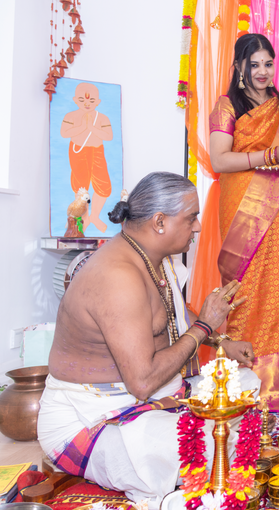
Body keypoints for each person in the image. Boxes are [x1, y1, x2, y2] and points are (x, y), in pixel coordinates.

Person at [38, 172, 260, 504]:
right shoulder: (118, 278)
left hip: (150, 398)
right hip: (93, 417)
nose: (198, 227)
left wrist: (220, 342)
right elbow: (142, 382)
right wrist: (204, 327)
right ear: (159, 222)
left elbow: (171, 315)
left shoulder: (155, 259)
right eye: (191, 218)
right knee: (179, 443)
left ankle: (192, 460)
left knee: (244, 384)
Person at [209, 34, 279, 409]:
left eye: (268, 63)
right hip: (242, 209)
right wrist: (269, 156)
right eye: (254, 65)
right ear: (239, 66)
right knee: (247, 290)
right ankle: (244, 388)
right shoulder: (227, 106)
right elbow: (220, 160)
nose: (262, 71)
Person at [60, 82, 113, 233]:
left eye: (91, 100)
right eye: (82, 100)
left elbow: (108, 136)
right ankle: (83, 218)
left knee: (103, 184)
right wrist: (82, 127)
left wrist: (92, 128)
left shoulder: (102, 118)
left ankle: (94, 216)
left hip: (97, 151)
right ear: (75, 100)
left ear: (98, 102)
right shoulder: (70, 116)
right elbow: (64, 133)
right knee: (80, 184)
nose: (87, 104)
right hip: (78, 150)